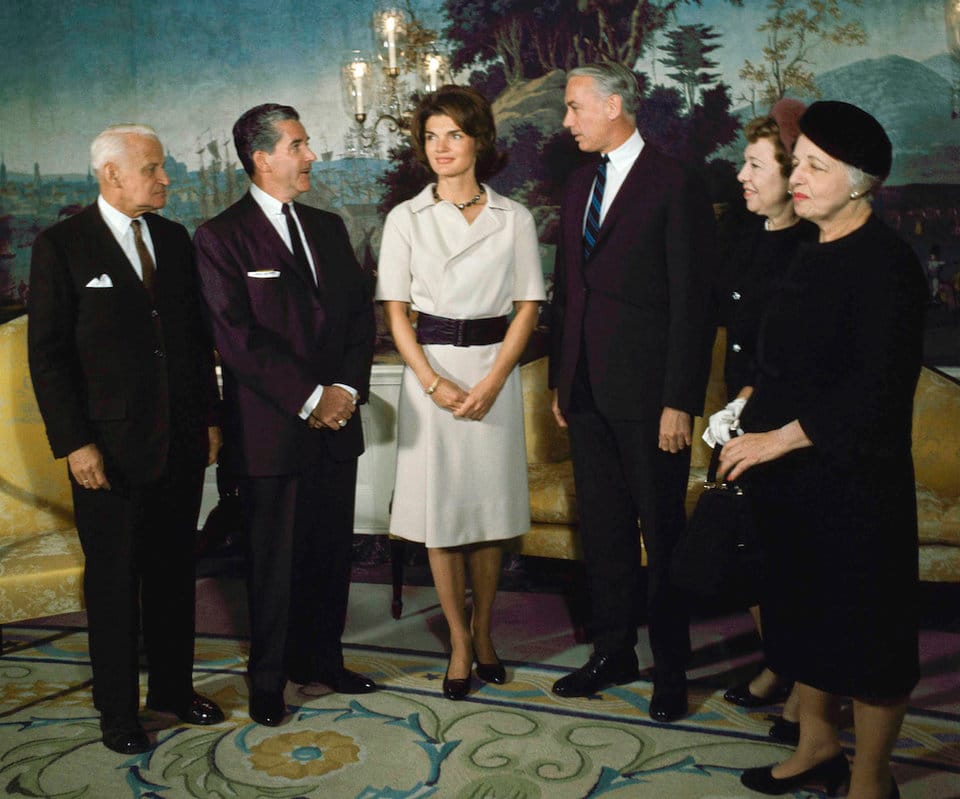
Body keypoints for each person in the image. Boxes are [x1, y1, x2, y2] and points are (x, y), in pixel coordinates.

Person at [719, 101, 926, 799]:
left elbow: (875, 388)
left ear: (860, 182)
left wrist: (776, 438)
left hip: (856, 481)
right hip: (790, 479)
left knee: (868, 634)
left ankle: (870, 777)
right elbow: (780, 360)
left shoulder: (889, 265)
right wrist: (748, 407)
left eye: (815, 166)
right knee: (801, 618)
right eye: (796, 161)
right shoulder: (804, 250)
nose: (797, 176)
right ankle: (816, 747)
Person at [28, 124, 225, 754]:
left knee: (173, 573)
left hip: (180, 440)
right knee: (114, 584)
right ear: (111, 174)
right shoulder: (61, 245)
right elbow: (48, 357)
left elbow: (194, 341)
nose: (166, 179)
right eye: (153, 168)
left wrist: (210, 418)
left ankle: (173, 690)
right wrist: (75, 444)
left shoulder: (173, 238)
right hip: (105, 451)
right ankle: (117, 711)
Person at [194, 104, 376, 727]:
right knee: (272, 567)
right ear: (261, 158)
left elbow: (358, 318)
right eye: (298, 145)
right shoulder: (219, 237)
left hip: (337, 424)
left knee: (330, 555)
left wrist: (345, 389)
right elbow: (237, 339)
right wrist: (311, 397)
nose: (310, 156)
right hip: (271, 433)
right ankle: (268, 680)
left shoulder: (328, 227)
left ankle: (324, 660)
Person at [548, 62, 714, 722]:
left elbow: (692, 301)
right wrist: (562, 381)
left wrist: (680, 399)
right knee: (604, 531)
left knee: (662, 532)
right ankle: (612, 651)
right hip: (585, 390)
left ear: (614, 104)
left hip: (651, 400)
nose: (567, 121)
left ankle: (672, 669)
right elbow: (568, 291)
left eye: (575, 107)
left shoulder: (675, 182)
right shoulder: (578, 183)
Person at [376, 85, 545, 700]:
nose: (441, 147)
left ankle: (485, 630)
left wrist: (495, 380)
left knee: (487, 516)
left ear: (479, 141)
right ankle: (458, 641)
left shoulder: (514, 217)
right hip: (433, 376)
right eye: (431, 136)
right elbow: (396, 313)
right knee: (443, 516)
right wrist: (432, 382)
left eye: (454, 134)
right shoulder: (406, 218)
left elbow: (528, 305)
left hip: (494, 374)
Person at [703, 100, 817, 741]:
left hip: (786, 422)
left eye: (754, 166)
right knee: (749, 552)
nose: (742, 176)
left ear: (789, 174)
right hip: (737, 412)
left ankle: (805, 686)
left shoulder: (814, 245)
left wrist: (751, 403)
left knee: (791, 560)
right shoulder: (740, 234)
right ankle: (779, 662)